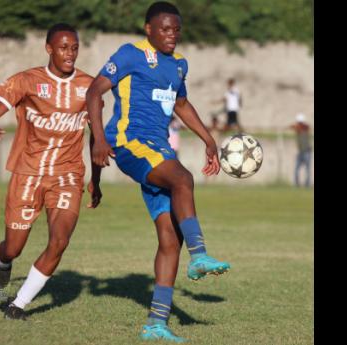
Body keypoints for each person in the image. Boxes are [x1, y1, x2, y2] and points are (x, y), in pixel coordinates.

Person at [86, 2, 230, 342]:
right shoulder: (130, 54)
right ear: (148, 28)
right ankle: (200, 256)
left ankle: (155, 323)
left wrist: (209, 139)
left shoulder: (179, 65)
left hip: (158, 150)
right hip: (130, 142)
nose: (172, 35)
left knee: (170, 237)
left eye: (176, 29)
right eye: (165, 29)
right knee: (183, 178)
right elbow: (94, 92)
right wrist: (97, 140)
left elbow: (180, 104)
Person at [0, 23, 102, 320]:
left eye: (74, 47)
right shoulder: (26, 81)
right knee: (13, 248)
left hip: (68, 175)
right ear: (49, 49)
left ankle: (17, 305)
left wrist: (95, 181)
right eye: (63, 47)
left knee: (59, 240)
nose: (69, 53)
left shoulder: (91, 86)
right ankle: (2, 264)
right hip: (28, 173)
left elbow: (97, 135)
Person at [291, 113, 312, 187]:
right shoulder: (298, 129)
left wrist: (297, 127)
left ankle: (307, 184)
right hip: (300, 152)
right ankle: (297, 184)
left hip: (307, 153)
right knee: (296, 169)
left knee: (307, 170)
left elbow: (305, 128)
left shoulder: (305, 128)